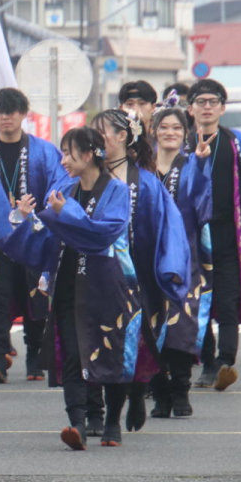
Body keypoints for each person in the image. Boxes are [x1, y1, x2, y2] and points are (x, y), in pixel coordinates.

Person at [2, 128, 139, 450]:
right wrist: (24, 219)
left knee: (110, 350)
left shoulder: (117, 191)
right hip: (67, 282)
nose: (63, 160)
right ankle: (77, 421)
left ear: (89, 154)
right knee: (75, 354)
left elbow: (104, 233)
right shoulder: (63, 190)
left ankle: (111, 422)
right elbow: (46, 234)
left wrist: (67, 214)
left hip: (108, 282)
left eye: (68, 153)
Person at [88, 109, 191, 438]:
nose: (98, 137)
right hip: (92, 278)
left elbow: (169, 227)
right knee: (93, 341)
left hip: (138, 276)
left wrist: (171, 268)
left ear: (124, 136)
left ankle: (133, 396)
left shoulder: (146, 183)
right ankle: (94, 413)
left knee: (134, 340)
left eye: (104, 131)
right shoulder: (85, 176)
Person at [0, 87, 68, 384]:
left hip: (33, 237)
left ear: (23, 114)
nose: (6, 117)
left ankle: (34, 357)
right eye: (1, 111)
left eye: (13, 111)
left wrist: (38, 211)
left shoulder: (43, 150)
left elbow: (60, 187)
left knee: (36, 297)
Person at [186, 79, 241, 391]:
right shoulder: (182, 141)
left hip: (228, 234)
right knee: (199, 301)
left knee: (228, 299)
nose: (207, 107)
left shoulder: (237, 142)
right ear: (190, 107)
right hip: (193, 237)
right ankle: (207, 363)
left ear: (222, 107)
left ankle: (225, 363)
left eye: (213, 101)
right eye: (201, 101)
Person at [150, 105, 214, 418]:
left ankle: (180, 391)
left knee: (181, 327)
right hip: (145, 259)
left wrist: (202, 166)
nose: (170, 133)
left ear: (185, 132)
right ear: (154, 131)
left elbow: (203, 208)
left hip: (183, 257)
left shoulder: (191, 164)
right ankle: (159, 393)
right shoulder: (141, 168)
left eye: (177, 127)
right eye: (164, 127)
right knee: (150, 328)